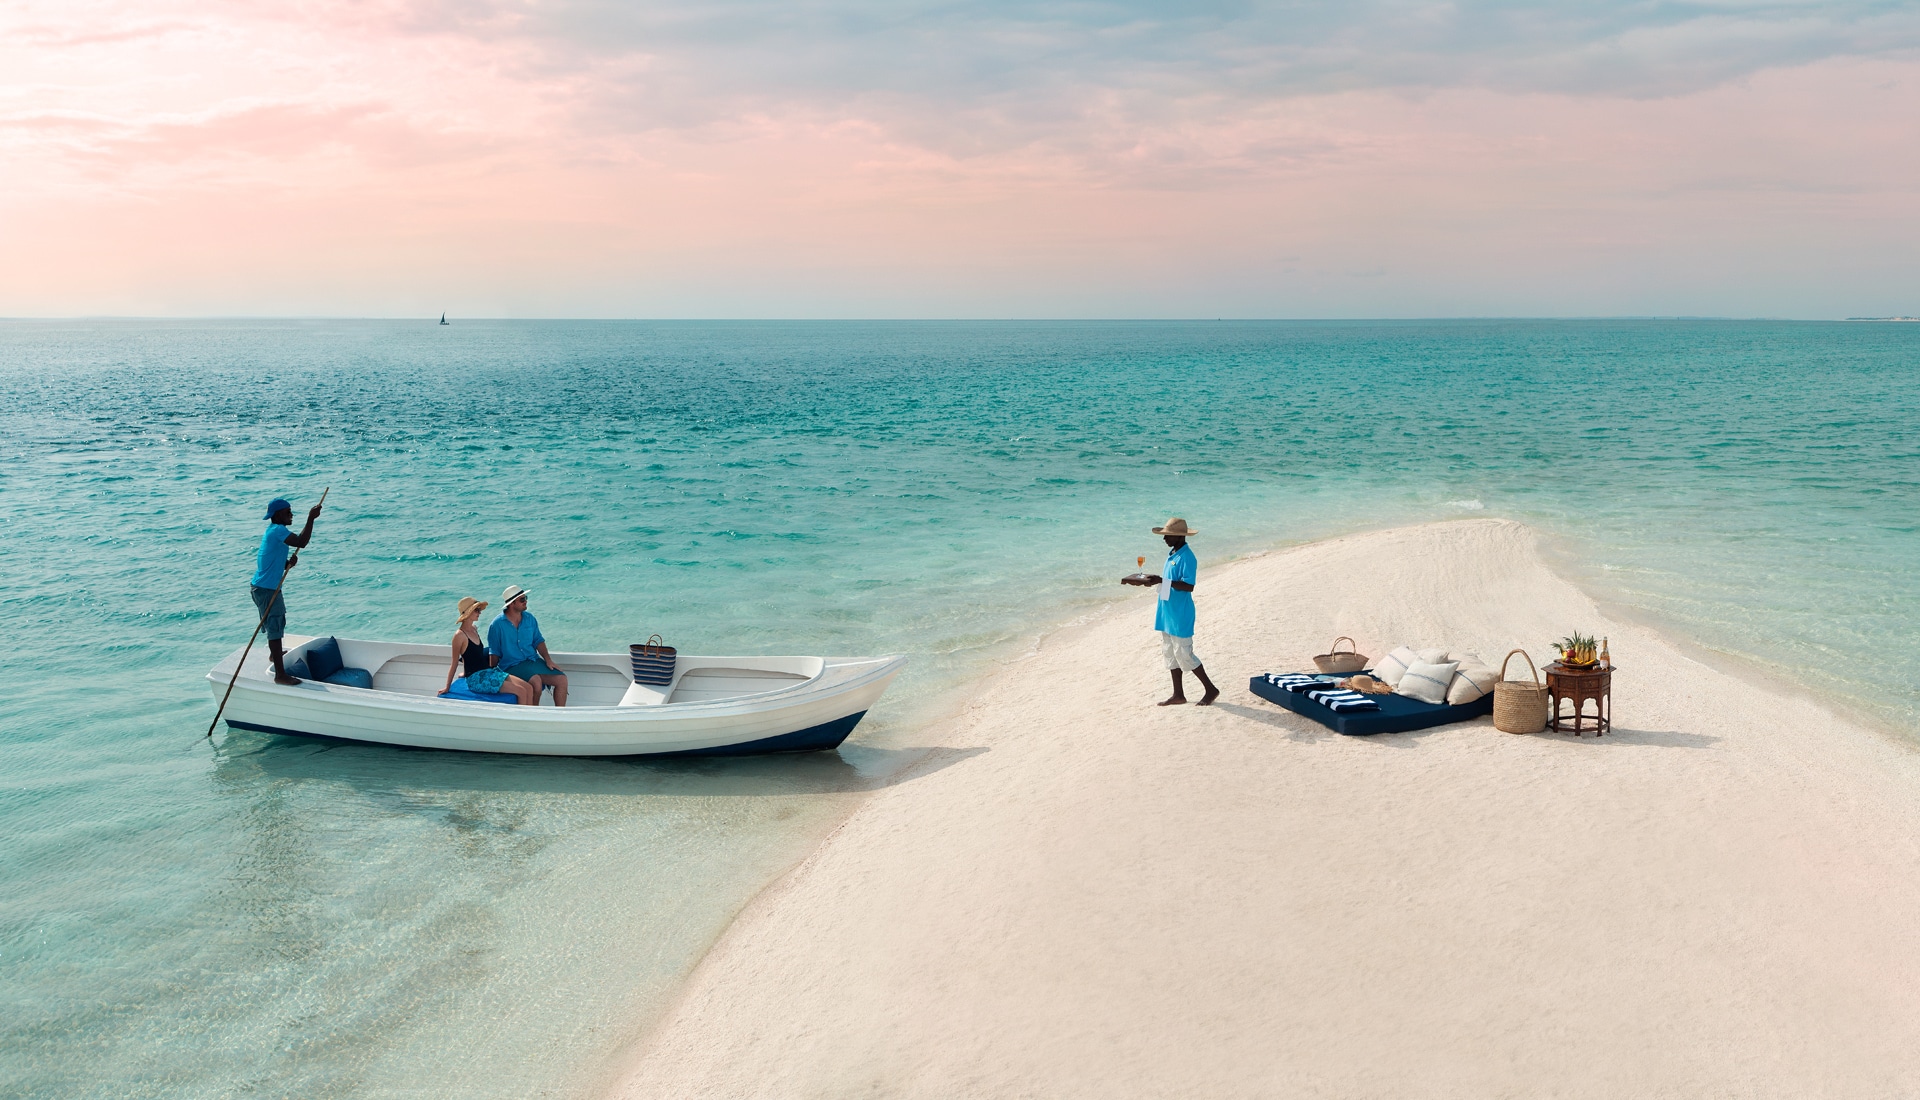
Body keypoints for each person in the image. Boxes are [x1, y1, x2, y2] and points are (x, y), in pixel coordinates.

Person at [1121, 516, 1220, 706]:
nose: (1164, 539)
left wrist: (1161, 581)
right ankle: (1178, 695)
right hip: (1166, 611)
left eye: (1168, 535)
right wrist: (1154, 581)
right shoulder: (1173, 553)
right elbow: (1167, 581)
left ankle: (1210, 689)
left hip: (1180, 613)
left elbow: (1189, 586)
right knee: (1169, 652)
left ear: (1180, 537)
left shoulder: (1187, 557)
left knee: (1184, 653)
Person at [251, 496, 321, 685]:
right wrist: (311, 518)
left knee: (276, 624)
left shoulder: (274, 531)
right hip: (266, 589)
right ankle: (280, 675)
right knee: (275, 627)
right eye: (288, 512)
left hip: (263, 587)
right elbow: (301, 542)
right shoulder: (278, 530)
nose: (291, 515)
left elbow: (268, 558)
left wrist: (286, 564)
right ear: (278, 515)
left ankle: (275, 656)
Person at [442, 596, 536, 705]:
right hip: (476, 679)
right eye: (477, 610)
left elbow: (470, 655)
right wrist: (447, 687)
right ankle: (521, 721)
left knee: (528, 688)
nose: (480, 612)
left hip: (487, 672)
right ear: (468, 612)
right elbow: (454, 663)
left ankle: (529, 718)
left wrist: (464, 672)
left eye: (479, 609)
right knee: (521, 691)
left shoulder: (474, 629)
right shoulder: (459, 636)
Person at [487, 584, 568, 706]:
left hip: (532, 661)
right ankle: (533, 717)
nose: (526, 601)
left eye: (526, 598)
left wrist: (548, 660)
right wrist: (490, 672)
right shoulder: (497, 625)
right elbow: (494, 654)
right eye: (522, 599)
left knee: (562, 680)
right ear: (512, 604)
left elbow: (538, 641)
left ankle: (560, 717)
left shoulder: (530, 619)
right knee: (536, 681)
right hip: (511, 665)